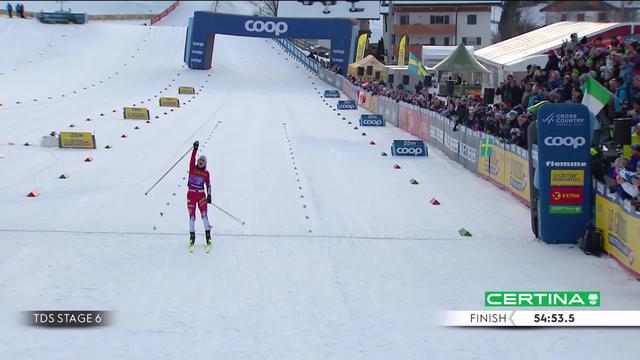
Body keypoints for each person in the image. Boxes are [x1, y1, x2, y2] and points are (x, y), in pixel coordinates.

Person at [187, 141, 212, 251]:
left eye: (203, 161)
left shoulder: (206, 173)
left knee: (204, 216)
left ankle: (208, 237)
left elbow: (209, 185)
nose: (201, 162)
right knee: (192, 217)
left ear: (205, 163)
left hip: (201, 196)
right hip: (191, 195)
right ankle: (192, 237)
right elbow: (192, 158)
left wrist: (209, 195)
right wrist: (195, 149)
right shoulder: (193, 168)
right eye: (200, 160)